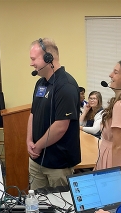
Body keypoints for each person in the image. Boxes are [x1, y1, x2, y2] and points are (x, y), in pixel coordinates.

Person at [27, 37, 81, 189]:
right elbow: (33, 113)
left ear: (48, 58)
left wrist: (37, 146)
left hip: (58, 164)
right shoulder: (40, 83)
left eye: (33, 59)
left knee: (60, 209)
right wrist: (29, 141)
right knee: (37, 205)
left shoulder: (66, 86)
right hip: (36, 160)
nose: (31, 63)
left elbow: (61, 126)